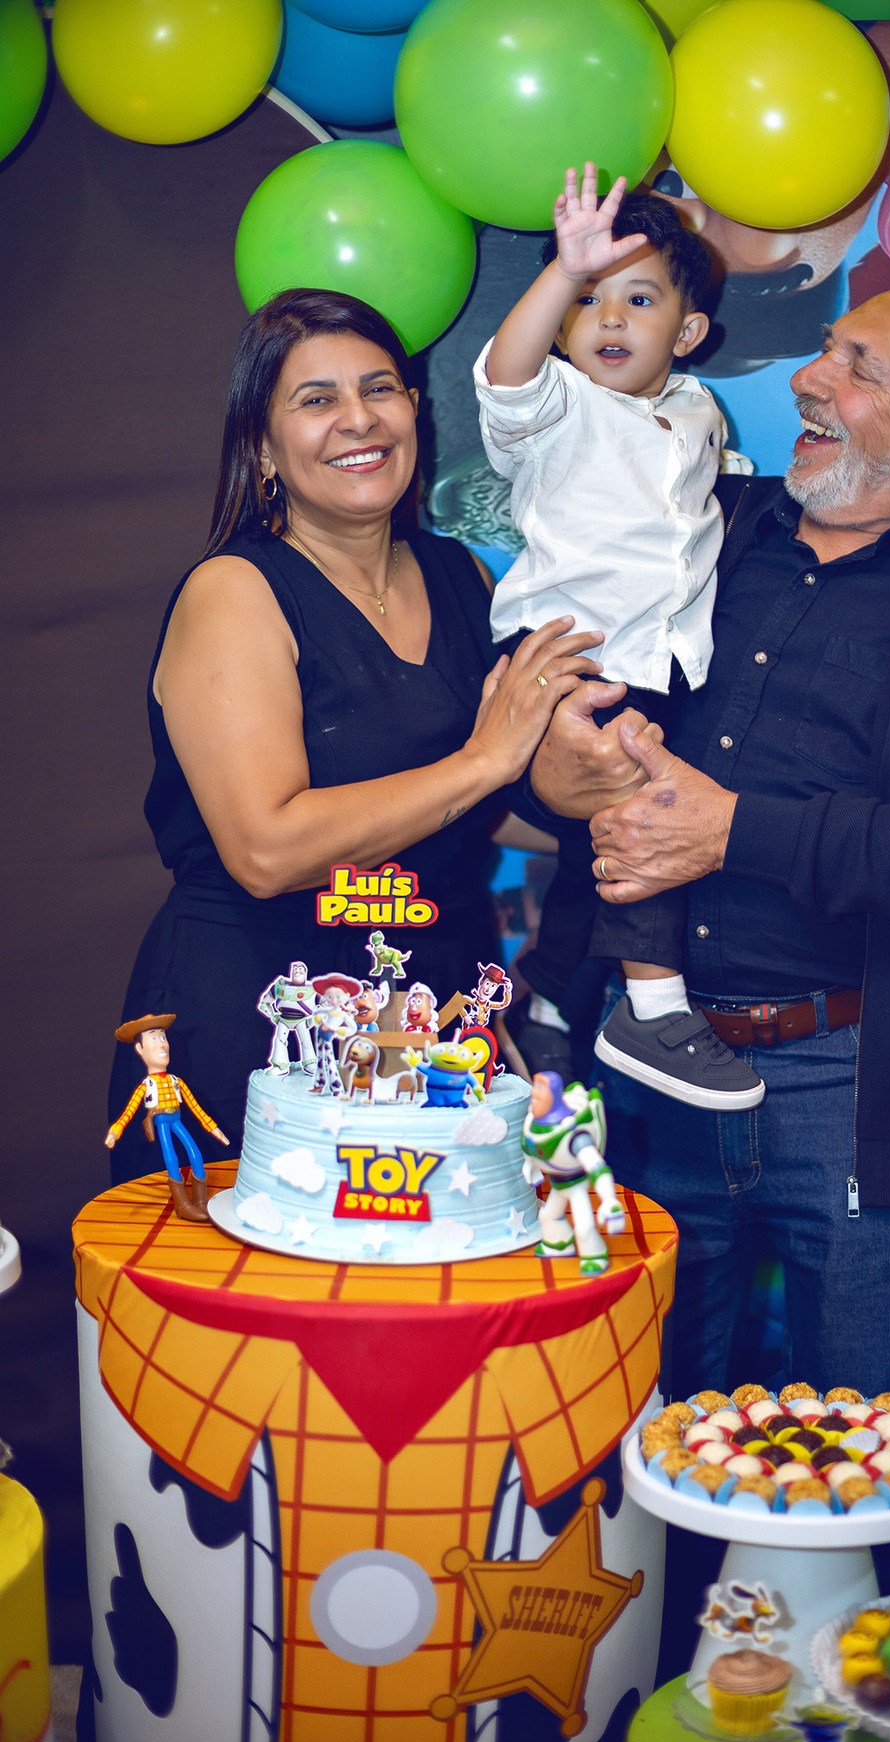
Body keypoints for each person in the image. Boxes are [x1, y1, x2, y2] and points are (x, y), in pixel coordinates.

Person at [531, 276, 890, 1410]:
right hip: (641, 1064)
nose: (807, 380)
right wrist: (553, 764)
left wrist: (735, 833)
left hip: (857, 1080)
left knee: (869, 1458)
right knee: (629, 1438)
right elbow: (552, 729)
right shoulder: (699, 521)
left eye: (859, 367)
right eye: (827, 348)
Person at [109, 288, 600, 1181]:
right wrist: (485, 759)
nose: (359, 419)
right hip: (265, 1013)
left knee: (437, 1265)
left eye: (379, 389)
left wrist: (602, 804)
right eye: (316, 399)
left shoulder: (458, 573)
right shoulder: (235, 591)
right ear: (262, 446)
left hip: (429, 1007)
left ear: (414, 409)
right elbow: (266, 849)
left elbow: (472, 810)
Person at [474, 165, 761, 1109]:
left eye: (638, 300)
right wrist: (563, 270)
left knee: (601, 848)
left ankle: (550, 1000)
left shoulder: (699, 412)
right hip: (562, 656)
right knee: (646, 813)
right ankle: (654, 1009)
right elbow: (506, 375)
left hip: (657, 662)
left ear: (687, 332)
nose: (607, 318)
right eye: (587, 301)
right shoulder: (558, 403)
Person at [106, 1014, 229, 1220]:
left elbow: (195, 1107)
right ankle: (182, 1205)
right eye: (154, 1039)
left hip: (177, 1119)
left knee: (196, 1153)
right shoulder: (146, 1085)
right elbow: (129, 1111)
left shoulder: (175, 1081)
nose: (162, 1044)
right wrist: (115, 1131)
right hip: (162, 1122)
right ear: (140, 1049)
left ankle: (200, 1201)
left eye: (163, 1037)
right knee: (171, 1158)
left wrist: (213, 1128)